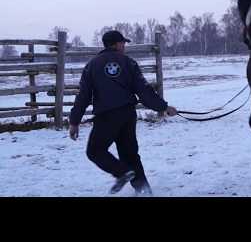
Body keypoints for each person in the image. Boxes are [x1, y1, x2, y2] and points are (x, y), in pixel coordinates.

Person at [69, 30, 177, 196]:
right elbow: (144, 90)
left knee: (95, 151)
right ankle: (143, 190)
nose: (124, 46)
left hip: (106, 117)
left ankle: (122, 173)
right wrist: (163, 107)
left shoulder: (92, 65)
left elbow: (83, 96)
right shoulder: (128, 63)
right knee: (130, 154)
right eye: (122, 43)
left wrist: (74, 121)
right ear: (115, 44)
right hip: (127, 115)